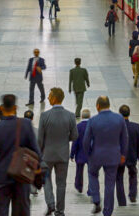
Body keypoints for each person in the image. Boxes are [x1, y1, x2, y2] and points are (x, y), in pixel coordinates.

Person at [0, 94, 41, 216]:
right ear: (15, 107)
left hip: (2, 176)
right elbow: (36, 151)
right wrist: (38, 170)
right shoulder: (25, 125)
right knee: (21, 210)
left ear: (2, 108)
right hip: (21, 175)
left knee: (1, 210)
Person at [83, 96, 129, 216]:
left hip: (96, 155)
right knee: (110, 184)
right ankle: (107, 211)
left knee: (92, 174)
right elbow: (125, 138)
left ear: (98, 106)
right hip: (114, 156)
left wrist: (88, 153)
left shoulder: (93, 120)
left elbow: (86, 140)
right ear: (108, 105)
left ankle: (96, 199)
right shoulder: (119, 119)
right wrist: (123, 154)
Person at [38, 88, 78, 216]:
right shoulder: (70, 115)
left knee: (46, 180)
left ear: (55, 98)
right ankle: (60, 211)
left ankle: (50, 204)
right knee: (61, 183)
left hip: (47, 155)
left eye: (49, 96)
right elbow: (75, 136)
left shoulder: (44, 116)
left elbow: (40, 139)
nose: (48, 98)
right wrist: (65, 139)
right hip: (63, 155)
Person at [116, 105, 139, 206]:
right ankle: (132, 195)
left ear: (119, 114)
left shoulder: (117, 127)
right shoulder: (135, 126)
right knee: (133, 174)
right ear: (129, 113)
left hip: (119, 157)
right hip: (132, 156)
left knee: (119, 177)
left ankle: (121, 200)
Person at [70, 109, 91, 195]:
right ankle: (91, 188)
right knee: (92, 172)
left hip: (80, 152)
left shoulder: (78, 127)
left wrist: (72, 154)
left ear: (81, 116)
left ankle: (79, 186)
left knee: (79, 170)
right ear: (90, 116)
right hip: (91, 153)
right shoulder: (92, 126)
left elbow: (75, 142)